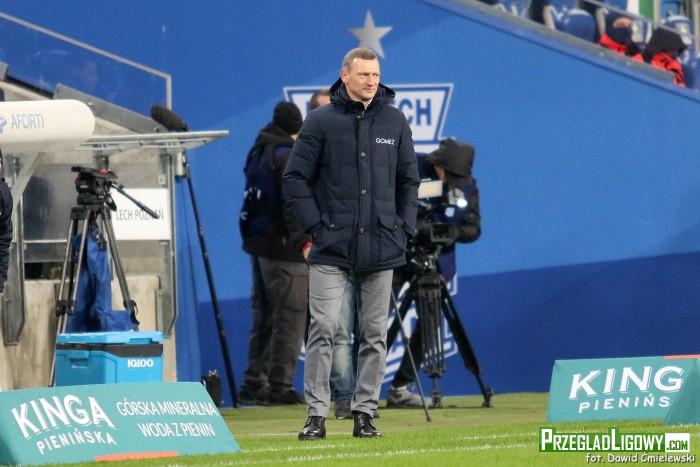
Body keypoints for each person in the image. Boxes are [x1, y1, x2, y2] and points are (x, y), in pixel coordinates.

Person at [284, 47, 419, 440]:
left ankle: (364, 414)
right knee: (324, 329)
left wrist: (403, 227)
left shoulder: (395, 120)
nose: (371, 81)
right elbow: (295, 178)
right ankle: (316, 415)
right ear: (345, 75)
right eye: (364, 74)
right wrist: (315, 228)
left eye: (375, 75)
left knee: (374, 335)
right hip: (331, 247)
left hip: (382, 246)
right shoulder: (320, 120)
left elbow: (409, 180)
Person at [387, 138, 481, 407]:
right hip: (397, 258)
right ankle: (356, 390)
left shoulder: (467, 185)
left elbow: (474, 228)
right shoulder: (408, 166)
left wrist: (453, 232)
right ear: (438, 165)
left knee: (430, 326)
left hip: (435, 264)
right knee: (374, 321)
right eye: (448, 176)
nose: (452, 182)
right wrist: (413, 228)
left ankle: (400, 387)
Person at [238, 101, 309, 405]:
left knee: (264, 315)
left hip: (259, 244)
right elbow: (293, 203)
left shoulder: (259, 150)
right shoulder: (287, 155)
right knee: (290, 316)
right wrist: (304, 240)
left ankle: (255, 383)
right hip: (284, 248)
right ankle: (279, 386)